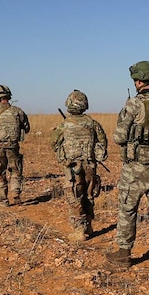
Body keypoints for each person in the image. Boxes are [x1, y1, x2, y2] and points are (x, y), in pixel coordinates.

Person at [105, 61, 149, 272]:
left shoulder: (134, 104)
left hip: (136, 165)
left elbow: (119, 137)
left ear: (138, 80)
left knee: (128, 207)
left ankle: (124, 253)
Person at [51, 90, 108, 241]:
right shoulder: (93, 123)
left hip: (72, 166)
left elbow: (54, 143)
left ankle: (78, 230)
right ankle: (88, 225)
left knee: (74, 196)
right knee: (89, 194)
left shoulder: (64, 125)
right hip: (90, 164)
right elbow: (103, 143)